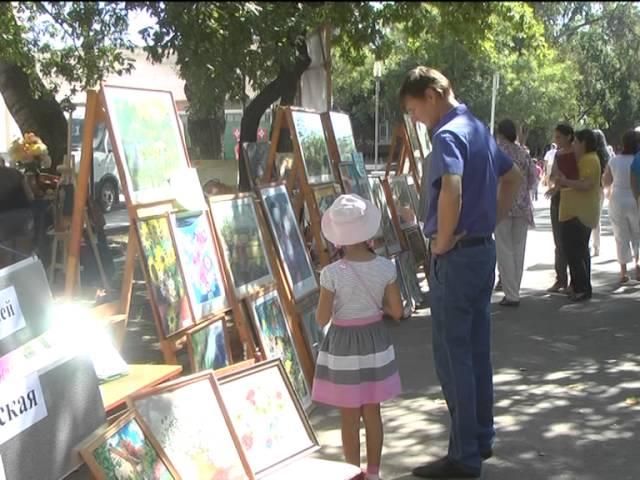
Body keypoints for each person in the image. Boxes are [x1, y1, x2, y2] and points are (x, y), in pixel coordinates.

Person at [399, 66, 522, 479]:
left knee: (454, 359)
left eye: (414, 109)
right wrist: (489, 222)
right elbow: (513, 176)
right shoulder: (478, 129)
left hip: (456, 257)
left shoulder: (448, 134)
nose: (415, 118)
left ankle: (464, 456)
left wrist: (444, 240)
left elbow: (450, 187)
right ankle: (480, 438)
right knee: (475, 353)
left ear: (432, 95)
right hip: (481, 252)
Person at [312, 194, 403, 480]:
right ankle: (374, 472)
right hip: (375, 341)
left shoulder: (331, 274)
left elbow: (322, 318)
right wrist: (378, 307)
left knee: (349, 415)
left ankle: (353, 474)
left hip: (342, 347)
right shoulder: (385, 267)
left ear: (338, 235)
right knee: (372, 411)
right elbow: (398, 312)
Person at [556, 129, 601, 302]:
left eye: (576, 142)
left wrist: (565, 181)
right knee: (578, 251)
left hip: (580, 213)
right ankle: (578, 286)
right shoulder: (582, 159)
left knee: (574, 251)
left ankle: (582, 288)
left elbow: (587, 184)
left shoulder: (590, 159)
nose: (574, 145)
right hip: (573, 212)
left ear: (584, 143)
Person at [494, 119, 536, 307]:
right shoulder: (523, 153)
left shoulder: (495, 151)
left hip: (502, 203)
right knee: (519, 249)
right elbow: (532, 180)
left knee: (504, 249)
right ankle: (515, 290)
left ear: (500, 133)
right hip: (522, 205)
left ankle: (510, 293)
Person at [603, 130, 640, 282]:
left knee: (620, 235)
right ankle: (638, 268)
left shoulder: (614, 160)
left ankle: (623, 271)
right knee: (638, 234)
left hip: (617, 198)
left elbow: (606, 181)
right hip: (635, 197)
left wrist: (608, 192)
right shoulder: (637, 160)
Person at [545, 123, 578, 293]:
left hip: (572, 198)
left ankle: (575, 279)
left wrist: (560, 182)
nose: (556, 140)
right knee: (559, 241)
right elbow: (553, 176)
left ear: (568, 136)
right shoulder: (557, 154)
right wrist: (554, 182)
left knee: (571, 241)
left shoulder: (577, 153)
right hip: (558, 199)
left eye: (558, 136)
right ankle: (561, 279)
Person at [591, 129, 613, 257]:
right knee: (596, 218)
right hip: (600, 188)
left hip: (589, 188)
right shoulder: (606, 155)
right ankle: (596, 246)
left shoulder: (589, 154)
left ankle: (589, 244)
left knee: (587, 217)